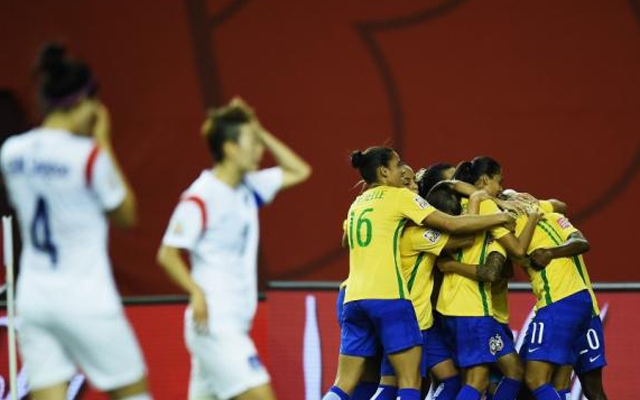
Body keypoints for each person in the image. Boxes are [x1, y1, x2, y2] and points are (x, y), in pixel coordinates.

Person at [0, 43, 152, 400]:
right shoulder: (88, 157)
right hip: (86, 297)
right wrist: (103, 142)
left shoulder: (11, 152)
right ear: (84, 102)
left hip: (35, 297)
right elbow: (126, 214)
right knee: (133, 394)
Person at [322, 147, 515, 400]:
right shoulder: (401, 201)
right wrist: (498, 215)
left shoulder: (358, 203)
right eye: (399, 165)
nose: (405, 173)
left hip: (352, 298)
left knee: (347, 383)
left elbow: (347, 240)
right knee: (407, 383)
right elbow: (456, 229)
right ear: (384, 171)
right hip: (390, 300)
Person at [156, 98, 311, 400]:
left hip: (231, 325)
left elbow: (299, 170)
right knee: (262, 396)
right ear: (229, 148)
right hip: (216, 323)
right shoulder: (202, 195)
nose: (259, 149)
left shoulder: (249, 188)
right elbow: (167, 254)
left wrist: (259, 130)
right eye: (251, 142)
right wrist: (196, 292)